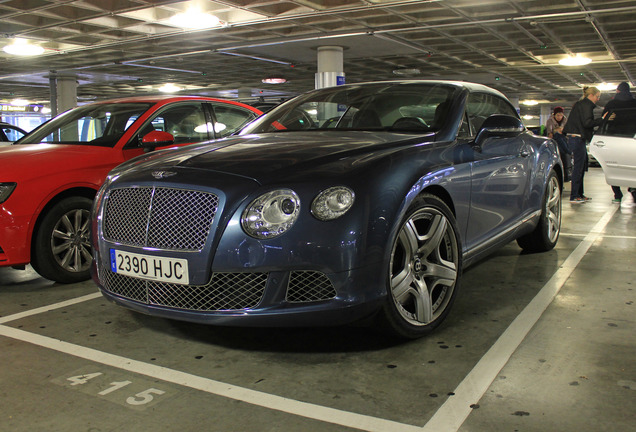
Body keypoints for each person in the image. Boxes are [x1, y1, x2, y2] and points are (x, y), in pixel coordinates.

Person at [562, 86, 607, 203]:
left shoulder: (580, 104)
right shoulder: (586, 105)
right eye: (597, 97)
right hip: (577, 139)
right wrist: (602, 119)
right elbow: (587, 123)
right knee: (578, 168)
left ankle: (579, 194)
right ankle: (574, 196)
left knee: (581, 167)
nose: (598, 99)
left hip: (575, 138)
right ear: (591, 95)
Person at [601, 82, 636, 203]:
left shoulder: (612, 104)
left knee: (613, 166)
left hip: (613, 139)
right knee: (631, 166)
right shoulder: (634, 103)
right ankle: (633, 189)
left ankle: (617, 194)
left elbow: (604, 118)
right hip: (631, 140)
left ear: (618, 91)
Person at [546, 106, 572, 181]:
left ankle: (567, 151)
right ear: (554, 115)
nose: (559, 117)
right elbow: (550, 133)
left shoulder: (565, 120)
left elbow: (567, 131)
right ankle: (568, 151)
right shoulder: (550, 121)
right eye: (558, 115)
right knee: (558, 136)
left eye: (561, 115)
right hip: (555, 140)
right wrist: (557, 131)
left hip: (564, 139)